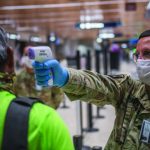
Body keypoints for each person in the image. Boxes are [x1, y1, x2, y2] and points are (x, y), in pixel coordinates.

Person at [33, 30, 150, 150]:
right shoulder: (131, 90)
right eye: (137, 55)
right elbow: (100, 84)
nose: (141, 61)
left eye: (147, 53)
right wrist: (66, 77)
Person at [0, 27, 74, 150]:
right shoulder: (18, 77)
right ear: (10, 59)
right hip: (19, 120)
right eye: (26, 55)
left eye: (31, 54)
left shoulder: (47, 75)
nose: (28, 58)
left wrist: (50, 108)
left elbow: (58, 94)